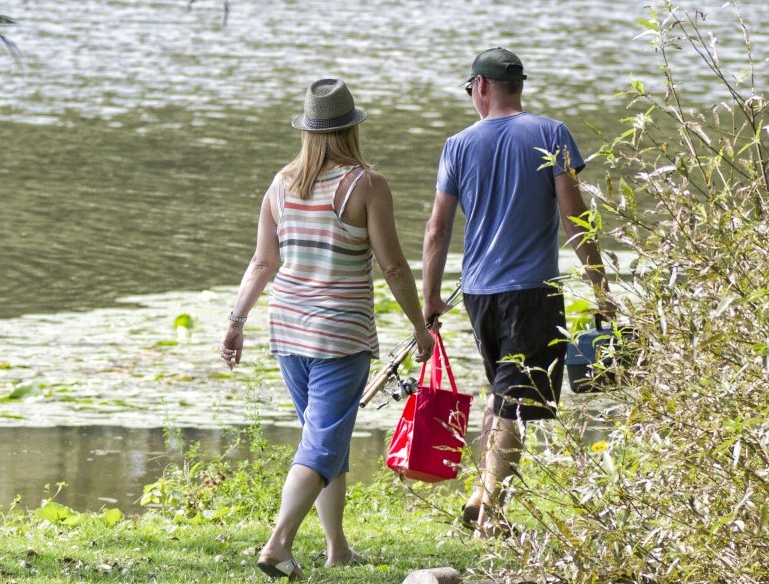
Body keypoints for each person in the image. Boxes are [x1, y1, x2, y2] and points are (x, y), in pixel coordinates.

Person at [221, 78, 434, 580]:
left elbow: (261, 261)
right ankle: (277, 544)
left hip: (289, 330)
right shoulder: (366, 184)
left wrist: (236, 322)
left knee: (325, 439)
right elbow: (395, 267)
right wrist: (419, 328)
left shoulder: (281, 183)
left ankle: (337, 548)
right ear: (351, 128)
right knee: (321, 443)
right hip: (340, 335)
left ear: (309, 131)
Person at [419, 48, 615, 537]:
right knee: (514, 400)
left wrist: (429, 299)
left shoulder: (457, 146)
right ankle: (489, 503)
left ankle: (486, 502)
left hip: (479, 293)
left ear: (482, 85)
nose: (471, 97)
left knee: (501, 393)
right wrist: (599, 283)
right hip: (532, 291)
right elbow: (575, 216)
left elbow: (436, 231)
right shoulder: (550, 134)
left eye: (469, 90)